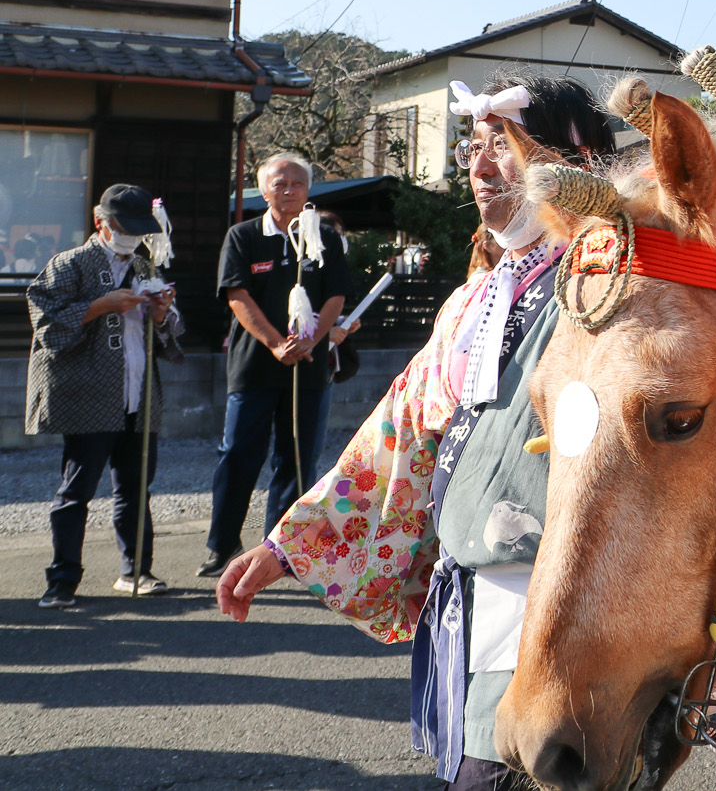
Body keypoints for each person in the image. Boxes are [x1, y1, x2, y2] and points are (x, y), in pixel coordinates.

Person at [217, 73, 615, 791]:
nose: (482, 165)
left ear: (576, 164)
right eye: (475, 146)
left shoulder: (619, 286)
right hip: (471, 604)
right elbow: (397, 432)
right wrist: (291, 543)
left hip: (574, 607)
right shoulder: (474, 299)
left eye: (508, 146)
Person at [25, 184, 183, 606]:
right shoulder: (70, 263)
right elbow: (46, 322)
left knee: (136, 488)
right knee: (76, 489)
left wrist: (162, 313)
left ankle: (137, 569)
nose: (130, 237)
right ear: (101, 223)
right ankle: (62, 579)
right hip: (88, 393)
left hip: (139, 390)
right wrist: (101, 304)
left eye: (137, 229)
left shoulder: (147, 266)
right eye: (122, 227)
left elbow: (169, 335)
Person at [197, 154, 348, 577]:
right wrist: (277, 343)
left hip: (309, 368)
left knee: (297, 459)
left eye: (298, 183)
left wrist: (308, 342)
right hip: (254, 367)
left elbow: (336, 295)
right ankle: (222, 545)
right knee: (238, 457)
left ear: (308, 190)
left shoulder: (324, 239)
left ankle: (281, 552)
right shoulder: (243, 236)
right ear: (264, 191)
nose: (289, 190)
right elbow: (237, 296)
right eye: (280, 184)